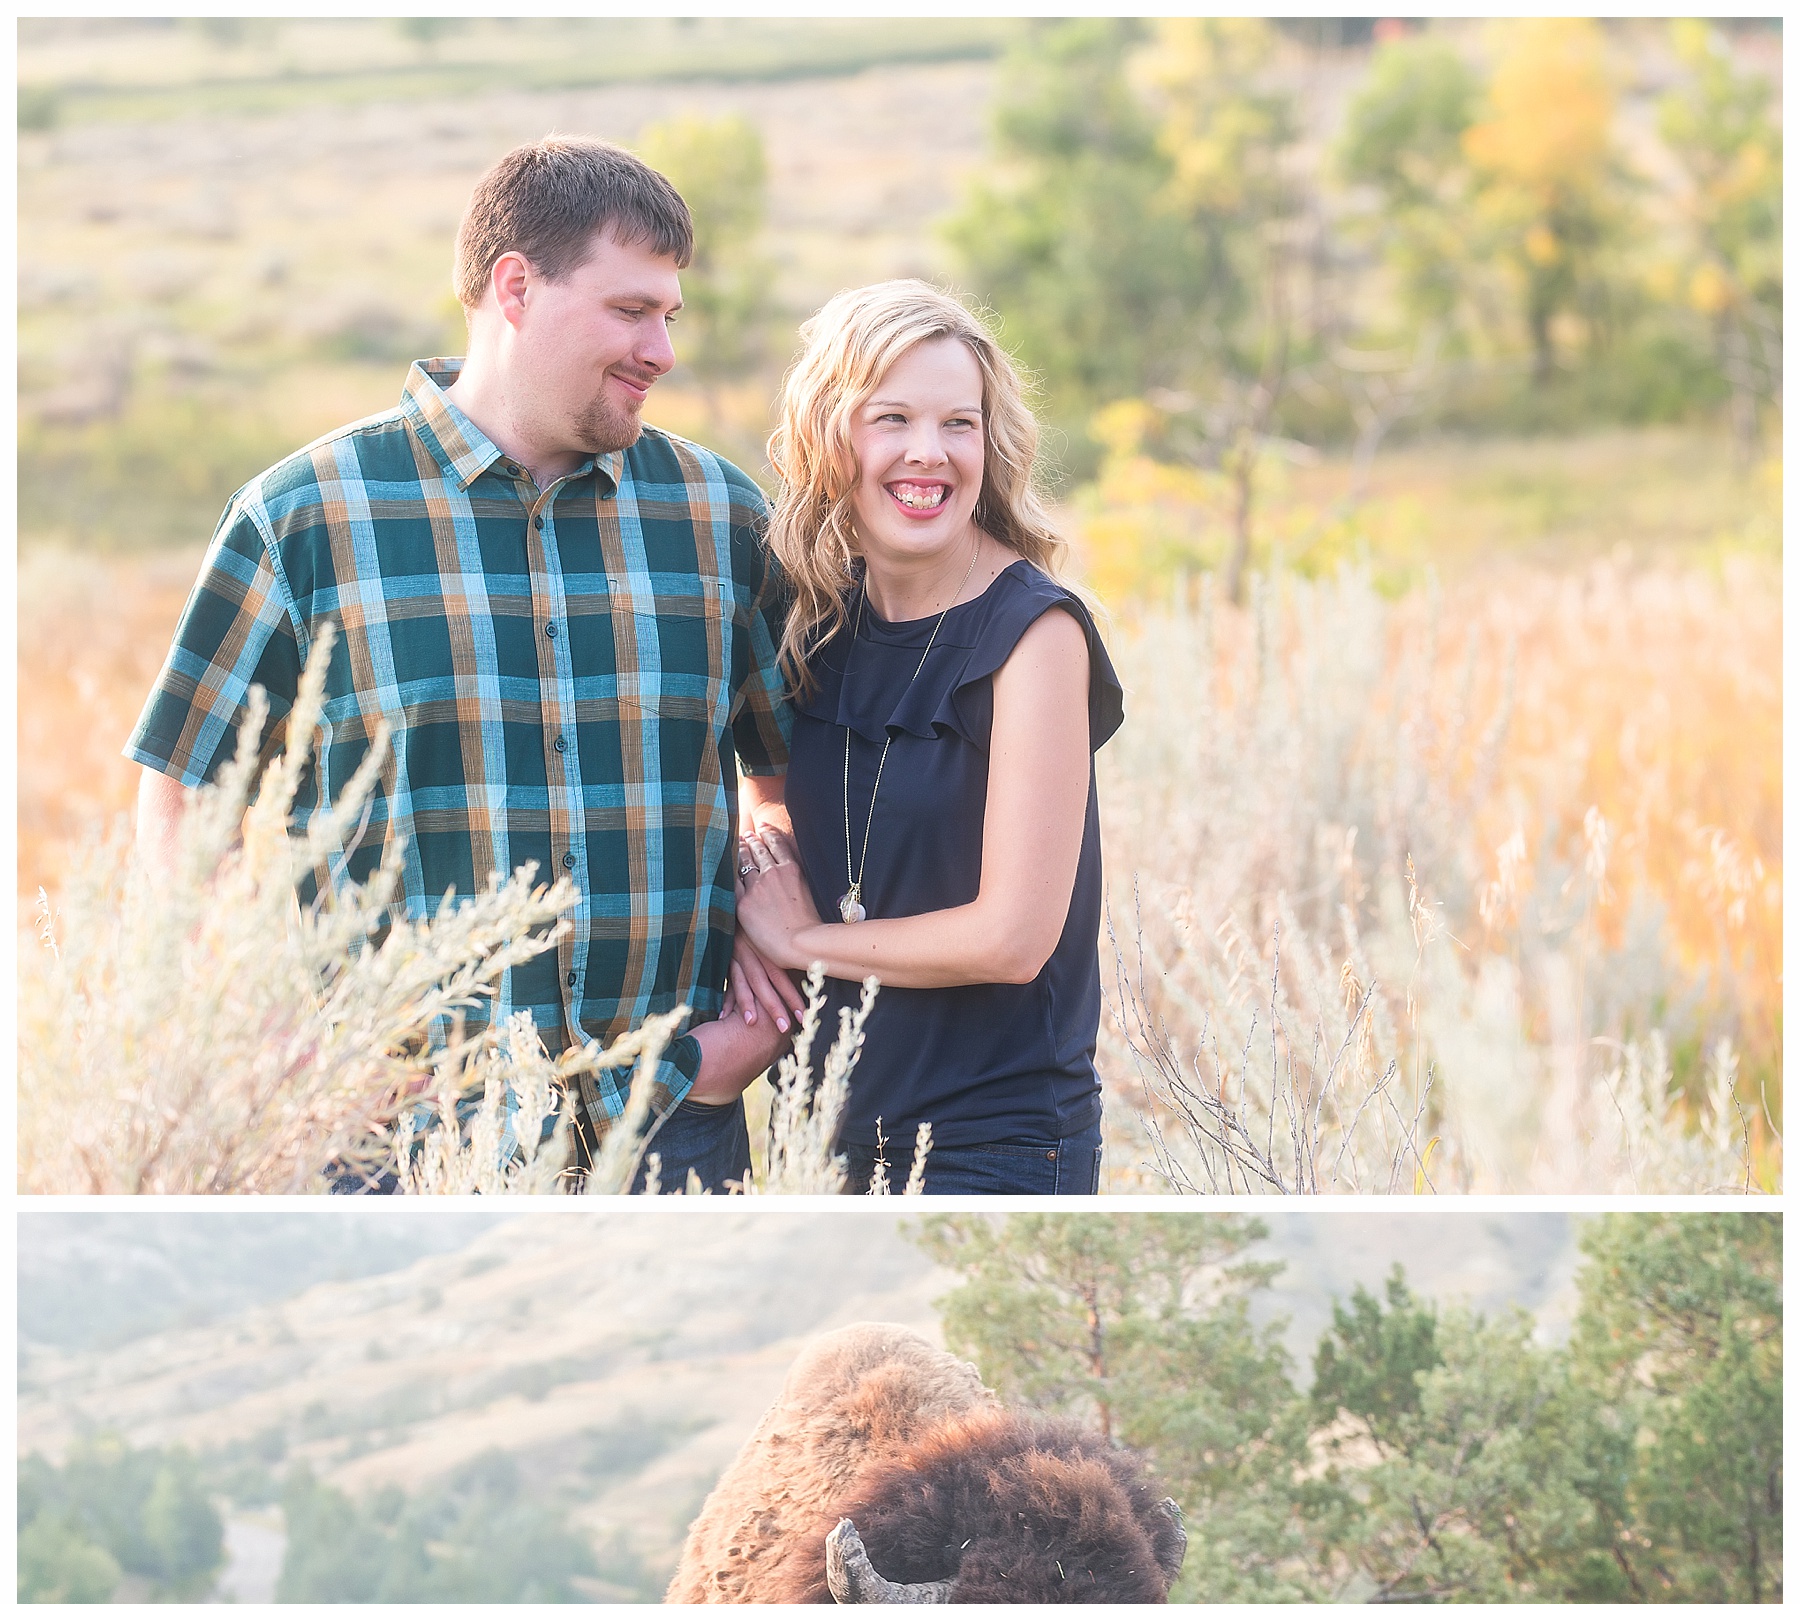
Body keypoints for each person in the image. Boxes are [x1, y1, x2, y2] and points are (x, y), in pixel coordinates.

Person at [126, 138, 803, 1194]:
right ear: (516, 287)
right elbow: (182, 797)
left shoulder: (718, 516)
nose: (663, 348)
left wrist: (768, 931)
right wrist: (258, 1042)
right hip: (400, 1142)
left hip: (674, 1125)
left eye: (672, 313)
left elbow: (792, 772)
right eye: (632, 310)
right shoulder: (306, 516)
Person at [733, 280, 1124, 1196]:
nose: (929, 454)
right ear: (830, 437)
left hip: (994, 1145)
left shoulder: (1036, 636)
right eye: (892, 419)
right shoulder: (814, 622)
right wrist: (764, 870)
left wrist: (799, 941)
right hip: (815, 1125)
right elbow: (774, 787)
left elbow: (1012, 939)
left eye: (959, 424)